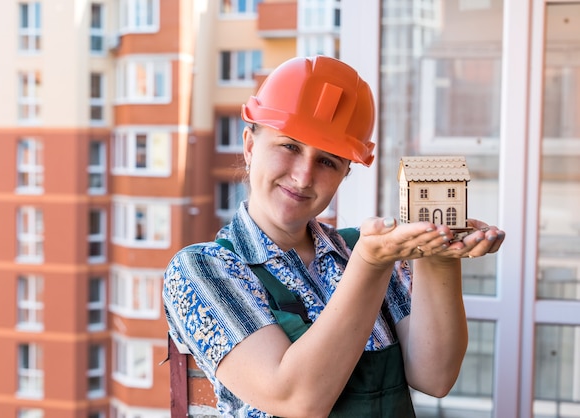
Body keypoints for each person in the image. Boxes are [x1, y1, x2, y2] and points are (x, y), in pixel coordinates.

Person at [163, 55, 505, 417]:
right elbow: (296, 399)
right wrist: (370, 265)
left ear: (344, 174)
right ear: (250, 146)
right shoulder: (201, 270)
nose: (303, 176)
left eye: (327, 161)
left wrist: (439, 253)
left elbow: (435, 376)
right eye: (290, 146)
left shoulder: (364, 249)